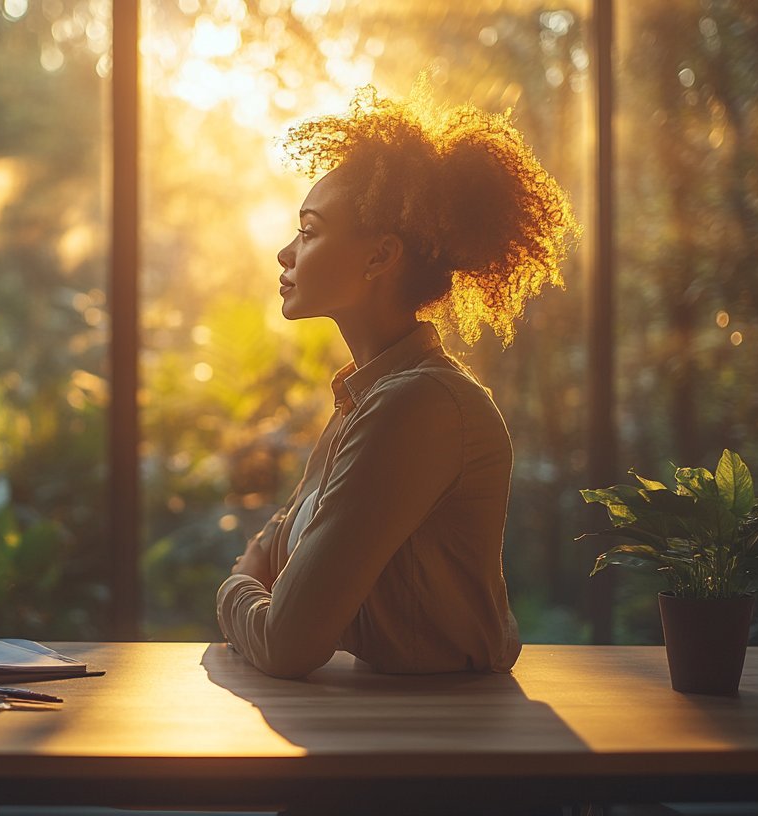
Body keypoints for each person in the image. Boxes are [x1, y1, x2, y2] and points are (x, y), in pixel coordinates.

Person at [216, 85, 580, 680]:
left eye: (309, 231)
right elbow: (281, 559)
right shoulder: (363, 400)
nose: (286, 253)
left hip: (439, 740)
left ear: (379, 256)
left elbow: (287, 640)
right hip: (379, 718)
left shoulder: (417, 405)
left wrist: (233, 588)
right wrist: (262, 575)